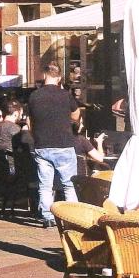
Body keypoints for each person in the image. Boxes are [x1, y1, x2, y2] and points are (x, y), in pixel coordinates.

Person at [27, 64, 83, 228]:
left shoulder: (34, 96)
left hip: (42, 145)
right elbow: (76, 114)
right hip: (64, 143)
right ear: (59, 78)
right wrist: (70, 122)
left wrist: (35, 135)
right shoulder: (65, 95)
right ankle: (72, 218)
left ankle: (47, 217)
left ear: (45, 75)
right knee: (68, 184)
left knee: (45, 185)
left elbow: (30, 122)